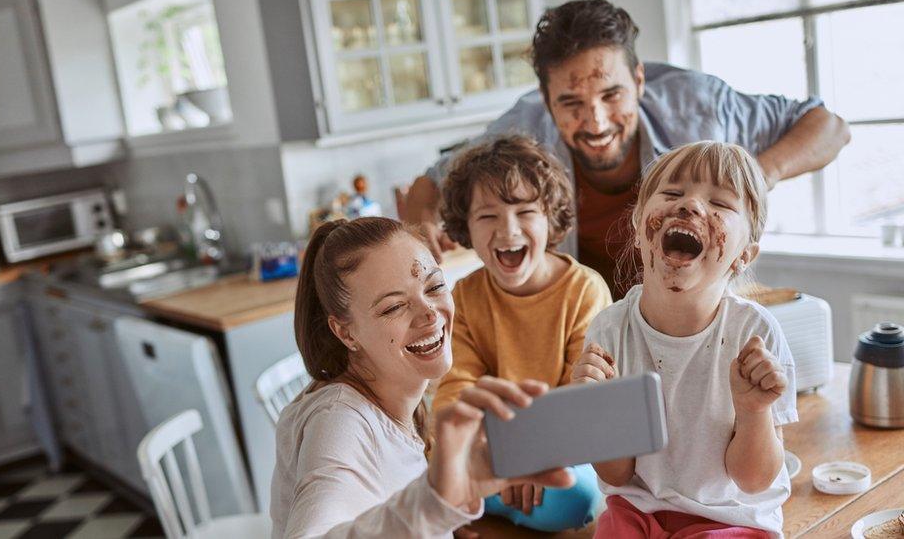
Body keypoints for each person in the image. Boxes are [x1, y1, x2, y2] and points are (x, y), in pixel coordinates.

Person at [404, 0, 850, 300]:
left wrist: (754, 174)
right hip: (587, 324)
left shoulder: (697, 105)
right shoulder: (523, 127)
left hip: (698, 314)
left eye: (612, 95)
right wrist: (421, 229)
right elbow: (431, 181)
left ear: (638, 80)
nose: (596, 122)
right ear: (545, 100)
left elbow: (828, 126)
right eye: (572, 103)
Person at [271, 217, 574, 538]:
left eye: (434, 286)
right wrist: (437, 502)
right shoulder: (338, 423)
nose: (429, 313)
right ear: (346, 332)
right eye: (394, 307)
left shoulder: (401, 389)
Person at [572, 141, 797, 538]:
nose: (690, 206)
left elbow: (754, 480)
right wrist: (597, 413)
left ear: (744, 255)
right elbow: (616, 472)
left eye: (721, 204)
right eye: (672, 194)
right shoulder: (609, 330)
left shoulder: (754, 335)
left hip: (730, 520)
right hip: (638, 511)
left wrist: (753, 411)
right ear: (639, 228)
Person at [431, 135, 611, 532]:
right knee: (418, 464)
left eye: (525, 211)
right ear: (466, 228)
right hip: (488, 452)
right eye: (487, 216)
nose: (507, 230)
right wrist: (497, 458)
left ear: (551, 218)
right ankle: (473, 501)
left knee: (576, 496)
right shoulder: (464, 296)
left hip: (559, 456)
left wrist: (530, 456)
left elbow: (580, 401)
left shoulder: (584, 290)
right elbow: (454, 391)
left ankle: (470, 505)